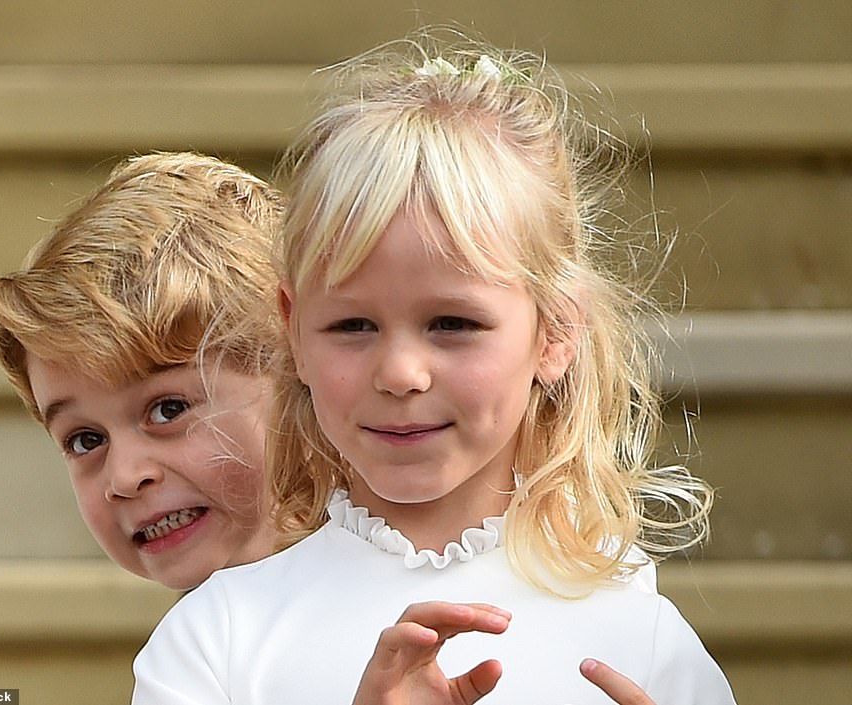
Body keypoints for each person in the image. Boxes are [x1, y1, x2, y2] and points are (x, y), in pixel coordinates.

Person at [130, 32, 736, 705]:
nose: (400, 373)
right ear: (293, 328)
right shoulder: (216, 640)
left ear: (556, 330)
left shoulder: (644, 640)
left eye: (452, 323)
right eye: (353, 326)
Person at [0, 151, 284, 591]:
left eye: (168, 410)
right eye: (86, 440)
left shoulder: (392, 603)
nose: (124, 477)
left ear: (300, 378)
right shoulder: (194, 634)